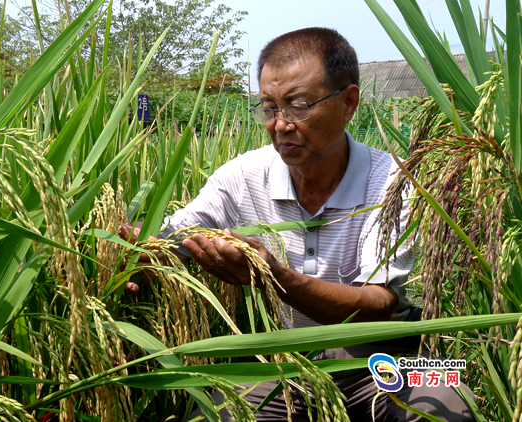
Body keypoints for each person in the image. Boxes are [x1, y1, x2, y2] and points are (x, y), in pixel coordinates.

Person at [122, 27, 473, 422]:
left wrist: (274, 276)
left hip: (384, 357)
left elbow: (378, 305)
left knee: (446, 408)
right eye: (269, 108)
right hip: (285, 359)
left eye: (299, 105)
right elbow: (176, 235)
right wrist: (141, 252)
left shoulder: (392, 182)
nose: (281, 124)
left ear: (349, 103)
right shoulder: (241, 176)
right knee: (218, 413)